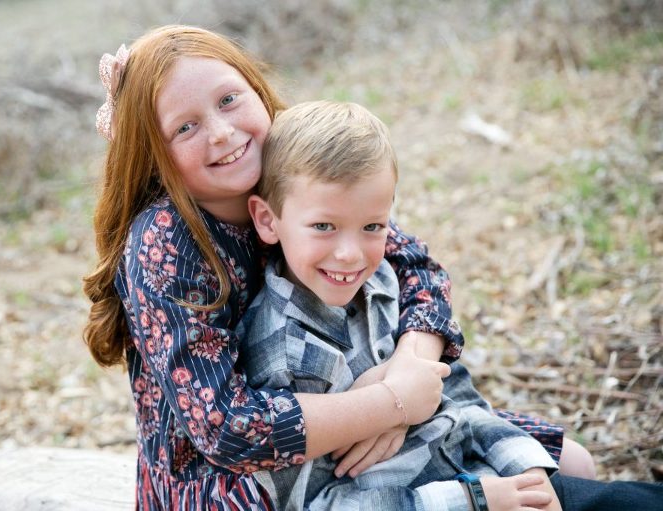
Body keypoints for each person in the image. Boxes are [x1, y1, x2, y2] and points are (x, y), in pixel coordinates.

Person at [82, 25, 629, 511]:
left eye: (229, 99)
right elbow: (226, 428)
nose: (222, 133)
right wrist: (387, 403)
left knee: (573, 464)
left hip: (359, 400)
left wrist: (407, 373)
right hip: (237, 479)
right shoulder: (165, 240)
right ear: (152, 152)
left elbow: (417, 266)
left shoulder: (288, 160)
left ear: (257, 89)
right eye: (185, 128)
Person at [240, 100, 561, 511]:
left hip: (466, 463)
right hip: (440, 496)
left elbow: (455, 396)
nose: (350, 255)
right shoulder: (285, 356)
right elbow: (322, 505)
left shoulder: (383, 281)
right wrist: (476, 498)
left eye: (372, 226)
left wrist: (522, 468)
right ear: (268, 220)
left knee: (581, 470)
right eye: (324, 227)